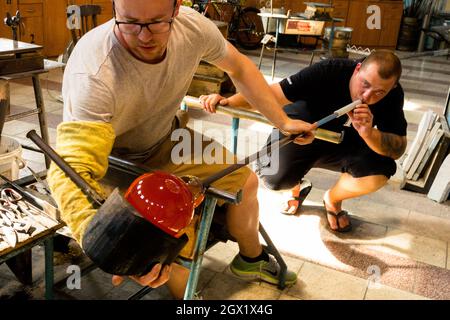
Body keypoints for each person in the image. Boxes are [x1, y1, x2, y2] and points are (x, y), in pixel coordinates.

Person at [47, 0, 316, 299]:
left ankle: (250, 260)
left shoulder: (193, 27)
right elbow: (69, 169)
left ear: (176, 10)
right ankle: (188, 299)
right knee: (173, 238)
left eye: (157, 22)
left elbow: (238, 65)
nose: (144, 36)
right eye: (130, 22)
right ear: (114, 10)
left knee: (244, 181)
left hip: (166, 139)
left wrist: (282, 121)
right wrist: (100, 236)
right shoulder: (94, 71)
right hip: (114, 160)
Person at [200, 50, 407, 233]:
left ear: (392, 87)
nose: (368, 96)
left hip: (346, 138)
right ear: (358, 69)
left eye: (379, 92)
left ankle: (333, 200)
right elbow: (272, 94)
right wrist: (228, 102)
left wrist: (369, 133)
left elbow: (397, 148)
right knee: (274, 180)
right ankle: (297, 183)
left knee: (380, 169)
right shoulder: (330, 70)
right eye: (365, 84)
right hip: (303, 125)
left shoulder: (393, 95)